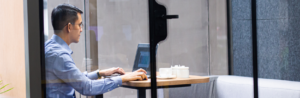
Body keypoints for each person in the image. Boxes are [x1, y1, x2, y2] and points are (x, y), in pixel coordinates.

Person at [45, 4, 148, 98]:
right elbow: (87, 87)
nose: (81, 29)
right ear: (69, 27)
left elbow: (74, 78)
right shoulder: (59, 56)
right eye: (79, 25)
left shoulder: (50, 47)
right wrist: (123, 78)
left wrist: (100, 73)